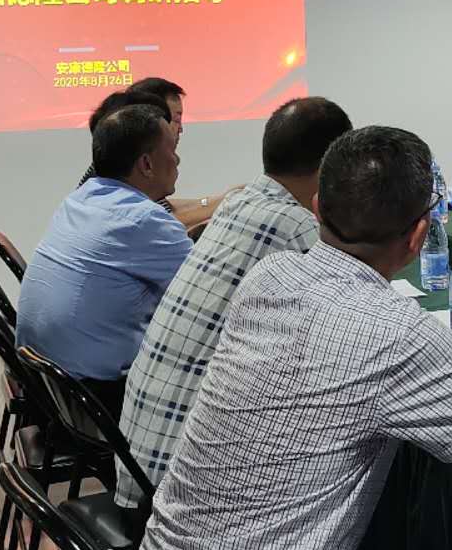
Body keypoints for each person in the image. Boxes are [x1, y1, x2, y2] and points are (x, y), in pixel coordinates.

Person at [137, 126, 452, 550]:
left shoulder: (269, 275)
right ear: (419, 235)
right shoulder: (399, 332)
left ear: (316, 209)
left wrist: (445, 369)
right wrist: (448, 365)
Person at [116, 96, 352, 505]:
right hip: (185, 493)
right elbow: (357, 339)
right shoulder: (297, 227)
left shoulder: (238, 203)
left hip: (137, 463)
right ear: (333, 167)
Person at [19, 104, 190, 417]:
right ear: (146, 164)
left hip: (48, 385)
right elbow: (208, 295)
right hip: (97, 399)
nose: (178, 159)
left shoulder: (80, 198)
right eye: (172, 150)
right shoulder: (144, 220)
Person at [78, 78, 230, 228]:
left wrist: (217, 200)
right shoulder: (121, 170)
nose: (180, 129)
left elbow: (164, 207)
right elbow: (159, 221)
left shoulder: (98, 183)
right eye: (175, 120)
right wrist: (225, 204)